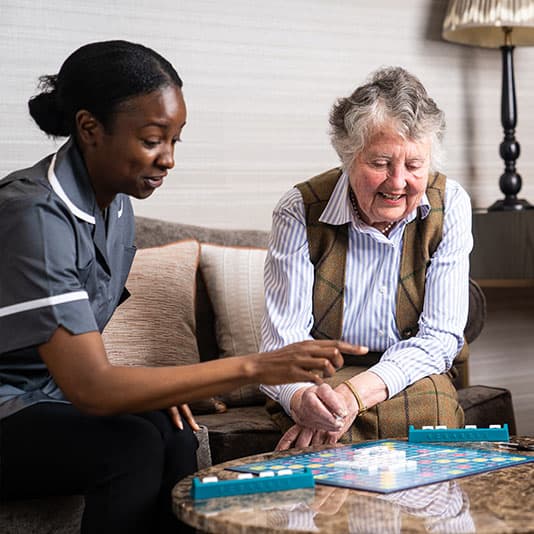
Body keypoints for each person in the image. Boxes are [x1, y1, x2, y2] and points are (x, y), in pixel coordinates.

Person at [0, 40, 366, 534]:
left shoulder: (118, 205)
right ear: (90, 128)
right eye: (153, 139)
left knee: (170, 433)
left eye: (176, 139)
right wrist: (260, 364)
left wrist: (148, 390)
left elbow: (72, 355)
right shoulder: (35, 215)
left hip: (43, 396)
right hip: (11, 406)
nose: (168, 158)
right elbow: (91, 387)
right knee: (131, 446)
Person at [260, 66, 472, 451]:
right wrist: (301, 399)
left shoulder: (451, 203)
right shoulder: (300, 209)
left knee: (434, 413)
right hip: (322, 377)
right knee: (323, 419)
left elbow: (440, 339)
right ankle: (334, 510)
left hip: (415, 371)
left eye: (413, 165)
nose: (397, 182)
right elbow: (282, 346)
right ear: (349, 155)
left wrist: (354, 396)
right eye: (379, 163)